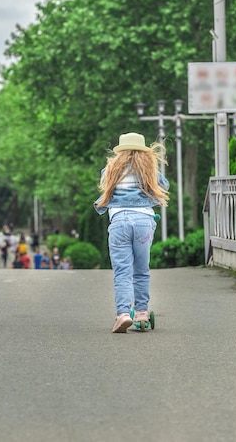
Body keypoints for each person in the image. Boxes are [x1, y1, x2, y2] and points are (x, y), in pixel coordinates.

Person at [94, 132, 169, 333]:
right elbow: (165, 186)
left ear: (120, 151)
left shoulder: (110, 169)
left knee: (122, 272)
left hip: (119, 222)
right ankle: (143, 313)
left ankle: (123, 314)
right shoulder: (149, 170)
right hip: (144, 221)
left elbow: (103, 184)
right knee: (141, 270)